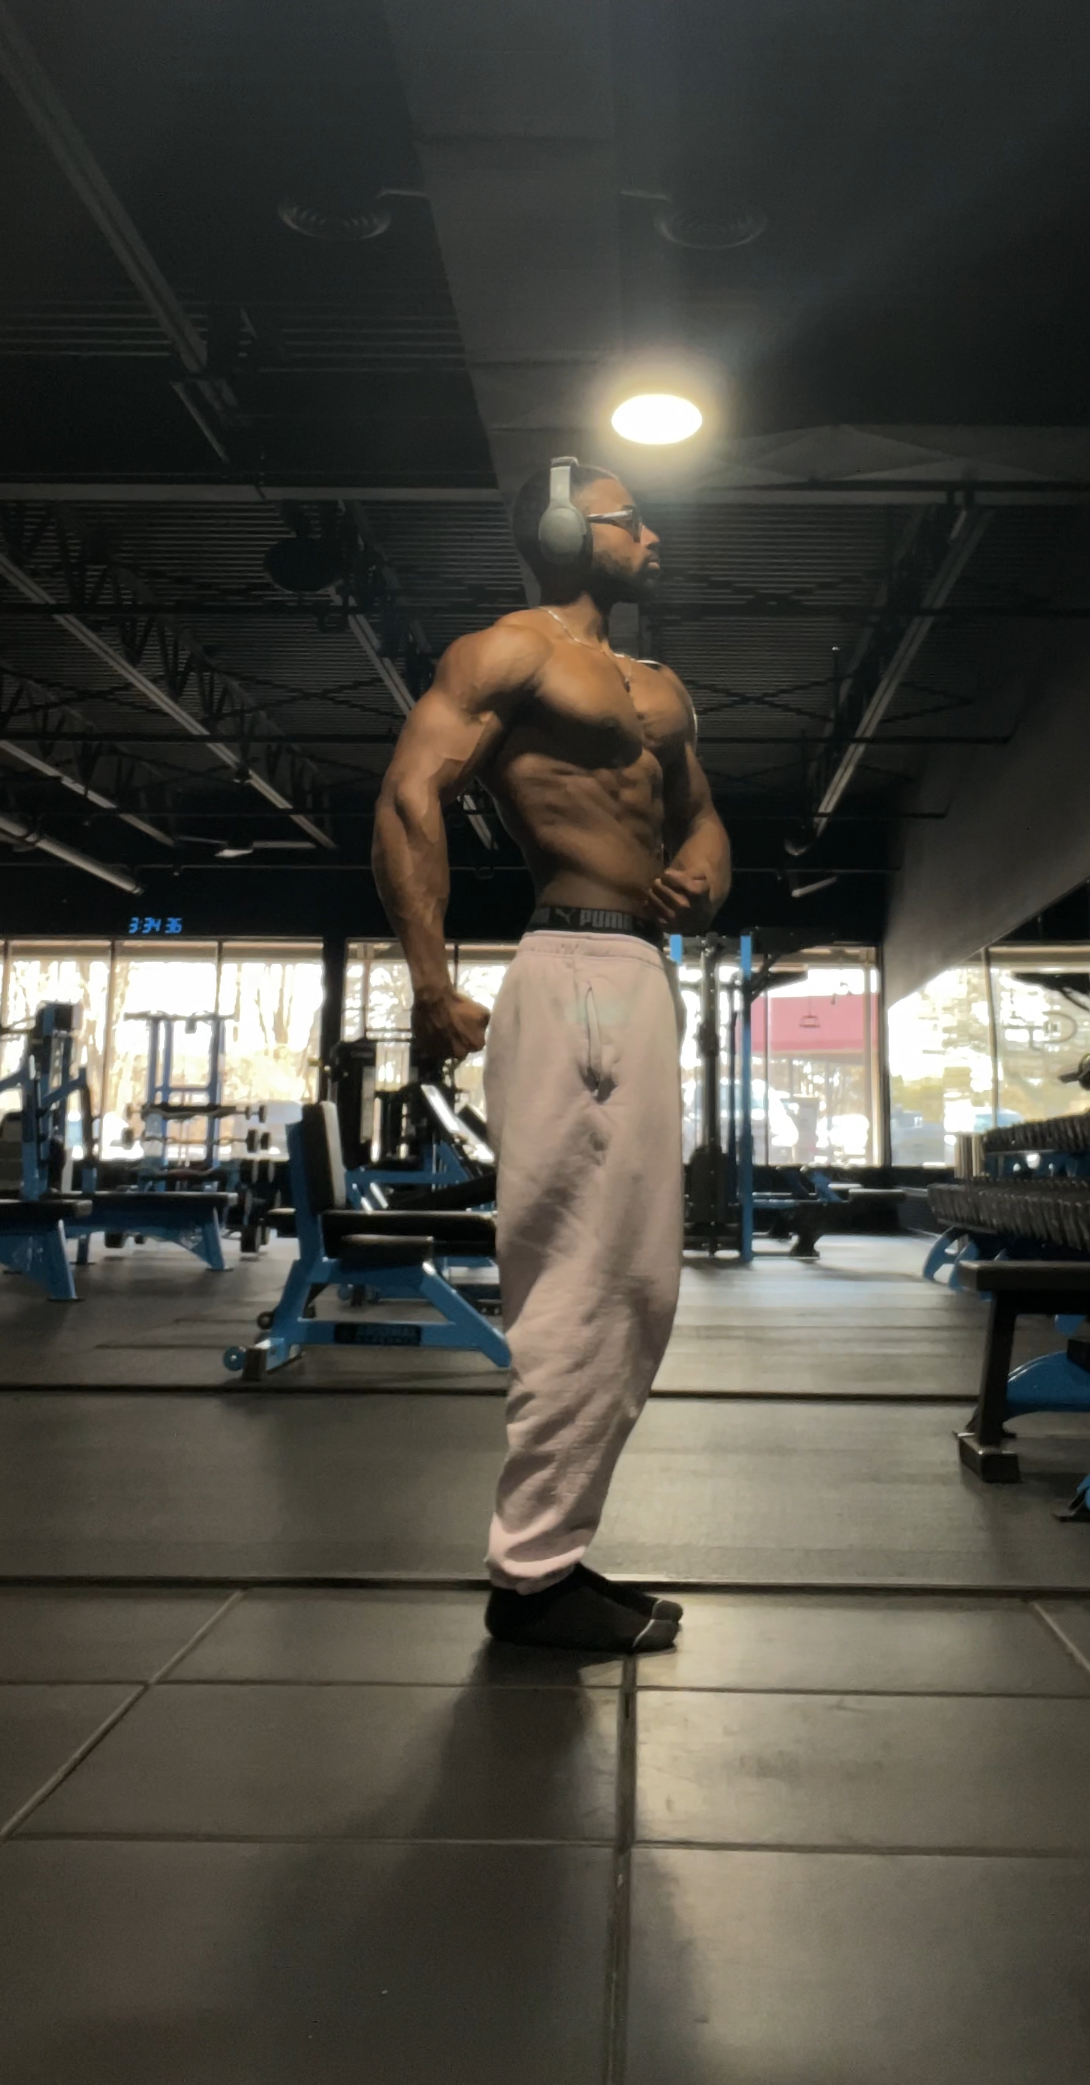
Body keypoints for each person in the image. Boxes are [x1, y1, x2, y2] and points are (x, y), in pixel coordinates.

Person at [372, 460, 731, 1652]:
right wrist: (430, 982)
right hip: (567, 966)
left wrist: (706, 871)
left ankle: (551, 1559)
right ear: (572, 530)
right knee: (574, 1278)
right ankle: (532, 1580)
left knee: (640, 1283)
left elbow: (700, 814)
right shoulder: (507, 653)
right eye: (637, 520)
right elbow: (411, 794)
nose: (658, 536)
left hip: (640, 976)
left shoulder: (657, 684)